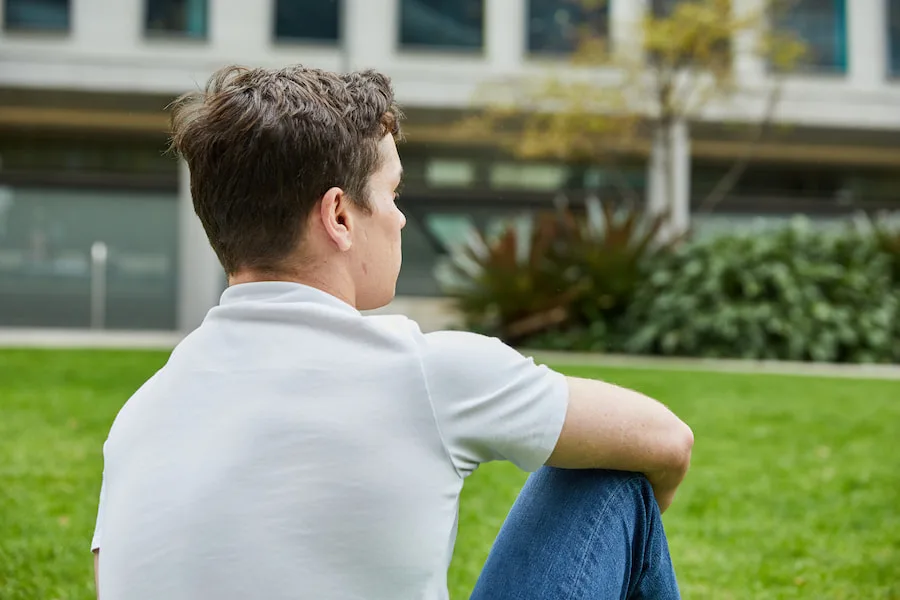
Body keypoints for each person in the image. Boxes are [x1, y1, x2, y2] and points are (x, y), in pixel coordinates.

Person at [90, 64, 694, 600]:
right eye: (392, 191)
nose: (401, 217)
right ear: (340, 216)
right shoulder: (426, 370)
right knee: (612, 477)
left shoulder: (138, 420)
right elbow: (667, 441)